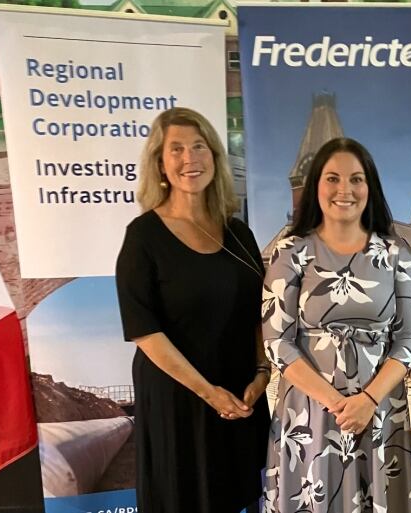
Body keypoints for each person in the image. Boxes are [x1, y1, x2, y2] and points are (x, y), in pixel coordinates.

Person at [115, 107, 270, 513]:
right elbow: (145, 331)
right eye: (177, 149)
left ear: (215, 157)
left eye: (199, 146)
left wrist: (262, 371)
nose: (190, 158)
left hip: (238, 394)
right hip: (179, 398)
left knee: (237, 495)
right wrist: (208, 393)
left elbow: (258, 309)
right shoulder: (143, 236)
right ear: (160, 164)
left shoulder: (238, 233)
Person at [261, 137, 411, 513]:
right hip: (310, 412)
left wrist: (366, 401)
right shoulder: (291, 253)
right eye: (332, 178)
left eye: (356, 179)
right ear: (316, 185)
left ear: (370, 187)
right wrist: (337, 403)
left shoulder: (397, 254)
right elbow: (277, 342)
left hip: (379, 409)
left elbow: (409, 339)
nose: (344, 190)